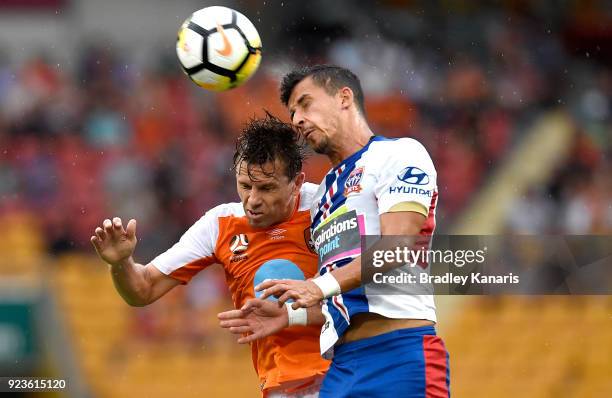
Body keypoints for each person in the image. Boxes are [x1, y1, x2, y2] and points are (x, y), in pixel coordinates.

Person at [218, 65, 450, 397]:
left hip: (399, 355)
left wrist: (316, 285)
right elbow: (341, 295)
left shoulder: (398, 154)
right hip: (342, 366)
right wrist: (290, 317)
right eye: (294, 111)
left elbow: (399, 246)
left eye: (306, 103)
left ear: (344, 98)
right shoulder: (323, 194)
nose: (297, 118)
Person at [91, 114, 329, 397]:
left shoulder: (328, 206)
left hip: (349, 369)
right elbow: (142, 289)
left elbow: (373, 290)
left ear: (297, 182)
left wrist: (292, 314)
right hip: (286, 387)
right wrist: (121, 263)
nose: (252, 199)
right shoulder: (219, 225)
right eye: (244, 185)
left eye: (266, 188)